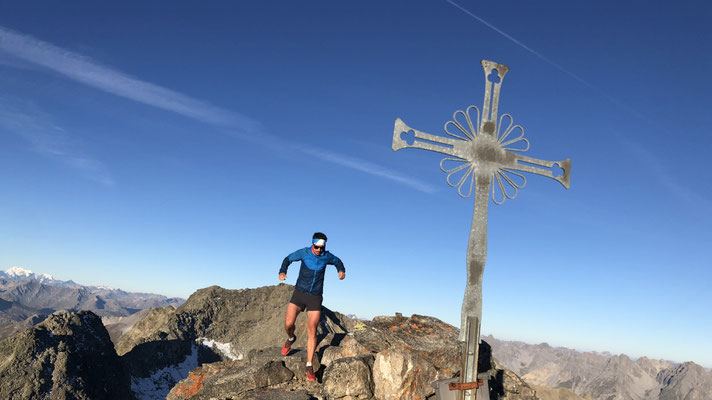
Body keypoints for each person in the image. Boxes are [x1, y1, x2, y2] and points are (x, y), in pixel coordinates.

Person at [278, 232, 345, 381]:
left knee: (312, 330)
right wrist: (282, 272)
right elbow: (287, 259)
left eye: (322, 248)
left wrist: (341, 270)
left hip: (315, 297)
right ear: (312, 244)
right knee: (288, 324)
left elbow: (338, 261)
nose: (319, 250)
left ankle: (309, 365)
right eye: (317, 247)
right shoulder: (304, 252)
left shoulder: (327, 256)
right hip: (299, 293)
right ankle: (290, 338)